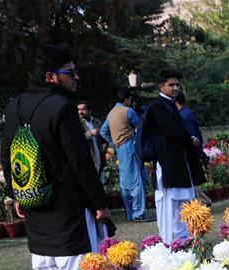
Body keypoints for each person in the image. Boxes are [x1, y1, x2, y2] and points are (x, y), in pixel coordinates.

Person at [0, 45, 111, 270]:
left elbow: (7, 156)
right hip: (69, 211)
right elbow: (80, 161)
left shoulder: (14, 107)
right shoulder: (62, 107)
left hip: (36, 210)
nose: (76, 78)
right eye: (70, 73)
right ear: (51, 76)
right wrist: (99, 203)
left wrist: (17, 194)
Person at [147, 67, 206, 244]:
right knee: (170, 205)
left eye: (177, 85)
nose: (175, 88)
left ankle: (182, 240)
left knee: (182, 203)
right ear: (161, 86)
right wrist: (190, 140)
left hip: (177, 162)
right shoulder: (159, 105)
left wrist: (189, 140)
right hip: (168, 163)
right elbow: (171, 131)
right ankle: (171, 242)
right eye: (171, 85)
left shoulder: (169, 104)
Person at [101, 88, 149, 222]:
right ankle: (138, 214)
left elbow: (103, 131)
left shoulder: (111, 113)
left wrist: (114, 142)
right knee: (136, 181)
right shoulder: (128, 111)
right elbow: (140, 127)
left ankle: (130, 213)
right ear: (127, 99)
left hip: (120, 149)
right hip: (130, 146)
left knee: (125, 182)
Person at [77, 100, 105, 174]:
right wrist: (91, 133)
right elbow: (77, 139)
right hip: (87, 158)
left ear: (89, 111)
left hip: (99, 155)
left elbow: (104, 138)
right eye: (78, 110)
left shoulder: (96, 121)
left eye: (83, 109)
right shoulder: (77, 123)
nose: (80, 112)